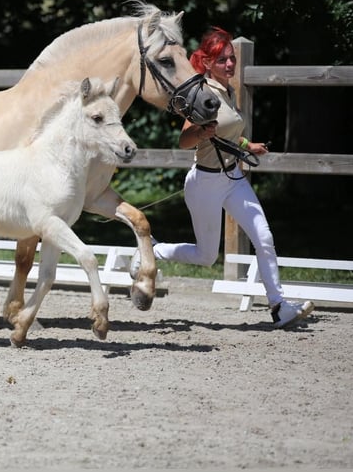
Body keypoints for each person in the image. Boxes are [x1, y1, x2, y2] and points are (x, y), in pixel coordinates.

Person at [131, 26, 314, 328]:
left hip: (233, 179)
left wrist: (247, 145)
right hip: (205, 182)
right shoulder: (202, 93)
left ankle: (279, 306)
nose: (230, 64)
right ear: (206, 63)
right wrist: (200, 131)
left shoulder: (227, 90)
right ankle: (152, 250)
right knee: (206, 257)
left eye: (231, 59)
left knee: (264, 239)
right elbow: (185, 140)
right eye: (222, 60)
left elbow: (229, 131)